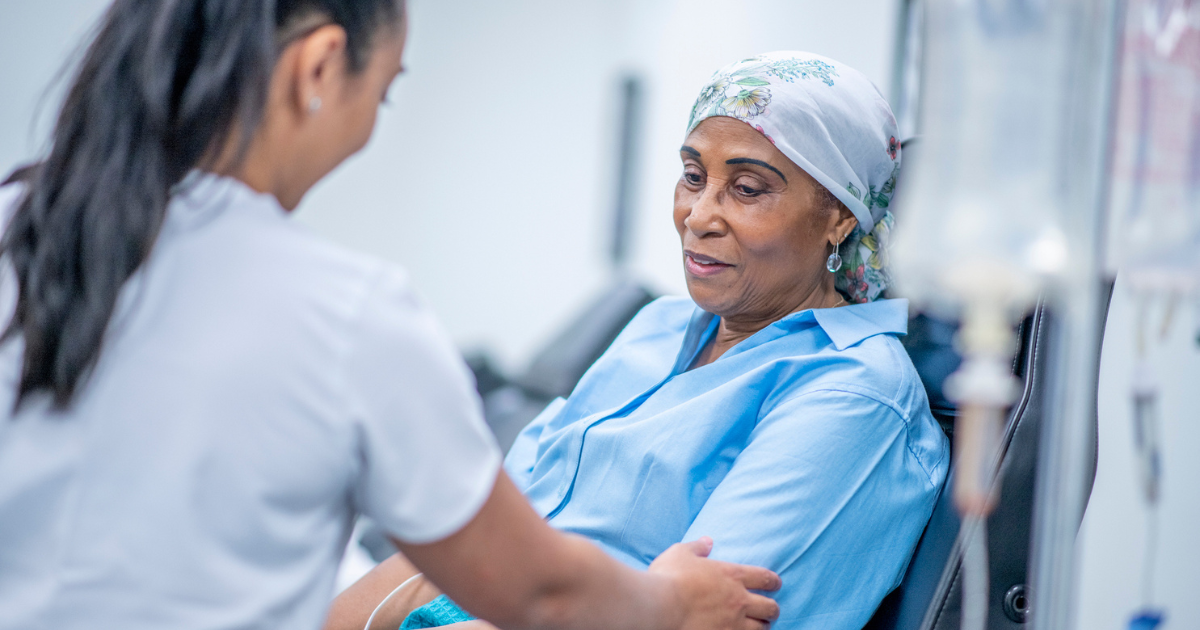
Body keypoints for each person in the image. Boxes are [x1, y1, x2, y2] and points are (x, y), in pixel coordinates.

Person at [0, 2, 783, 629]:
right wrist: (672, 603)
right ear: (318, 67)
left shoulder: (14, 219)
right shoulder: (345, 314)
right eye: (382, 92)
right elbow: (541, 594)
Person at [331, 52, 950, 630]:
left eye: (748, 188)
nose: (699, 215)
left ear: (840, 215)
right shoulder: (656, 327)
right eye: (692, 176)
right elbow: (481, 540)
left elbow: (704, 615)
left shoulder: (855, 395)